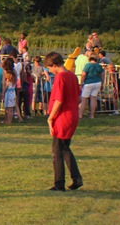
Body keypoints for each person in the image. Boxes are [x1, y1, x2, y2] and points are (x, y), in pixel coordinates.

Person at [44, 52, 83, 192]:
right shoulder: (72, 75)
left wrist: (51, 117)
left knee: (57, 150)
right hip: (72, 115)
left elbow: (59, 100)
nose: (49, 70)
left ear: (54, 65)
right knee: (65, 148)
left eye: (49, 67)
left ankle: (59, 183)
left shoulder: (60, 77)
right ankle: (77, 178)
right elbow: (79, 97)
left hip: (63, 116)